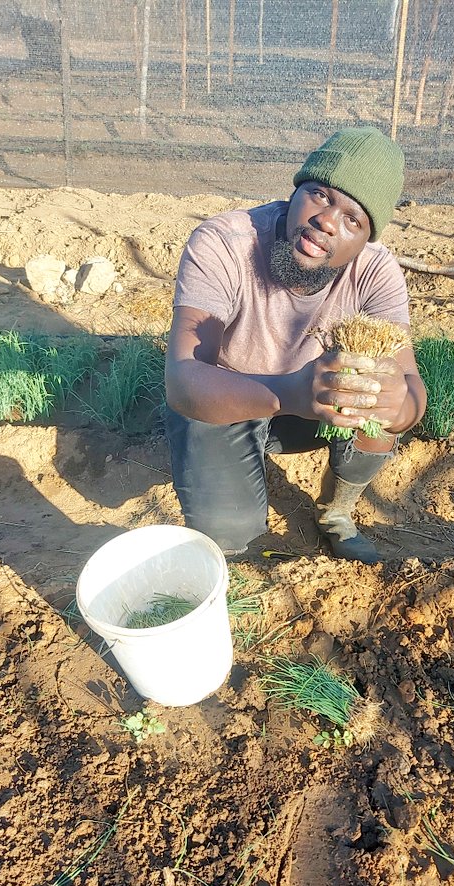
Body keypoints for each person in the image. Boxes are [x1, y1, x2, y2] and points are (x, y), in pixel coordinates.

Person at [165, 126, 427, 564]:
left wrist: (399, 407)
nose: (327, 221)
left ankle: (336, 513)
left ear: (366, 241)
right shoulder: (225, 243)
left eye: (353, 220)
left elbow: (412, 387)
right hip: (229, 399)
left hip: (313, 408)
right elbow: (182, 381)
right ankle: (229, 530)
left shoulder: (376, 272)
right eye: (321, 195)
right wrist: (291, 392)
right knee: (230, 533)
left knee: (375, 406)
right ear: (296, 191)